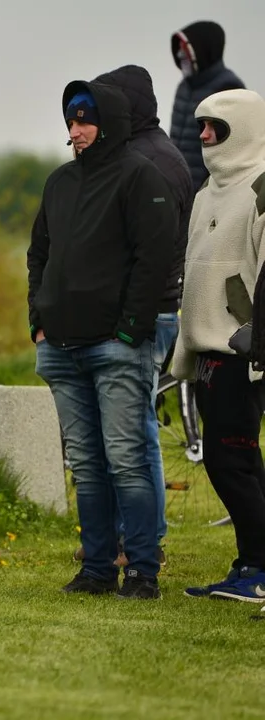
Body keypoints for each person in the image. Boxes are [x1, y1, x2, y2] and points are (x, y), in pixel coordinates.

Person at [29, 80, 176, 600]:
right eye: (71, 120)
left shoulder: (141, 177)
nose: (76, 129)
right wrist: (38, 322)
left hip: (116, 347)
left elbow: (153, 259)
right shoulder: (60, 183)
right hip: (61, 347)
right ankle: (96, 569)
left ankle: (141, 572)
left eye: (86, 120)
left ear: (108, 123)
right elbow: (38, 255)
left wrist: (130, 330)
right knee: (88, 465)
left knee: (126, 458)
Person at [79, 65, 194, 565]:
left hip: (146, 311)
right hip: (141, 308)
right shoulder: (149, 152)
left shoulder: (150, 162)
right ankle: (133, 537)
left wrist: (128, 318)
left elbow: (149, 250)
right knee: (129, 426)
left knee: (136, 429)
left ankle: (143, 541)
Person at [174, 89, 265, 603]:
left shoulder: (262, 188)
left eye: (215, 127)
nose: (203, 136)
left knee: (229, 461)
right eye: (201, 125)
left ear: (244, 128)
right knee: (239, 462)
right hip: (207, 350)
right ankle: (252, 564)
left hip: (243, 351)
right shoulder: (207, 193)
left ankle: (257, 569)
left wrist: (258, 345)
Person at [170, 20, 244, 190]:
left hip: (205, 191)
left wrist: (207, 189)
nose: (181, 55)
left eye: (186, 49)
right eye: (179, 49)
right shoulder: (184, 86)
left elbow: (230, 149)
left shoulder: (227, 88)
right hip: (177, 187)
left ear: (203, 49)